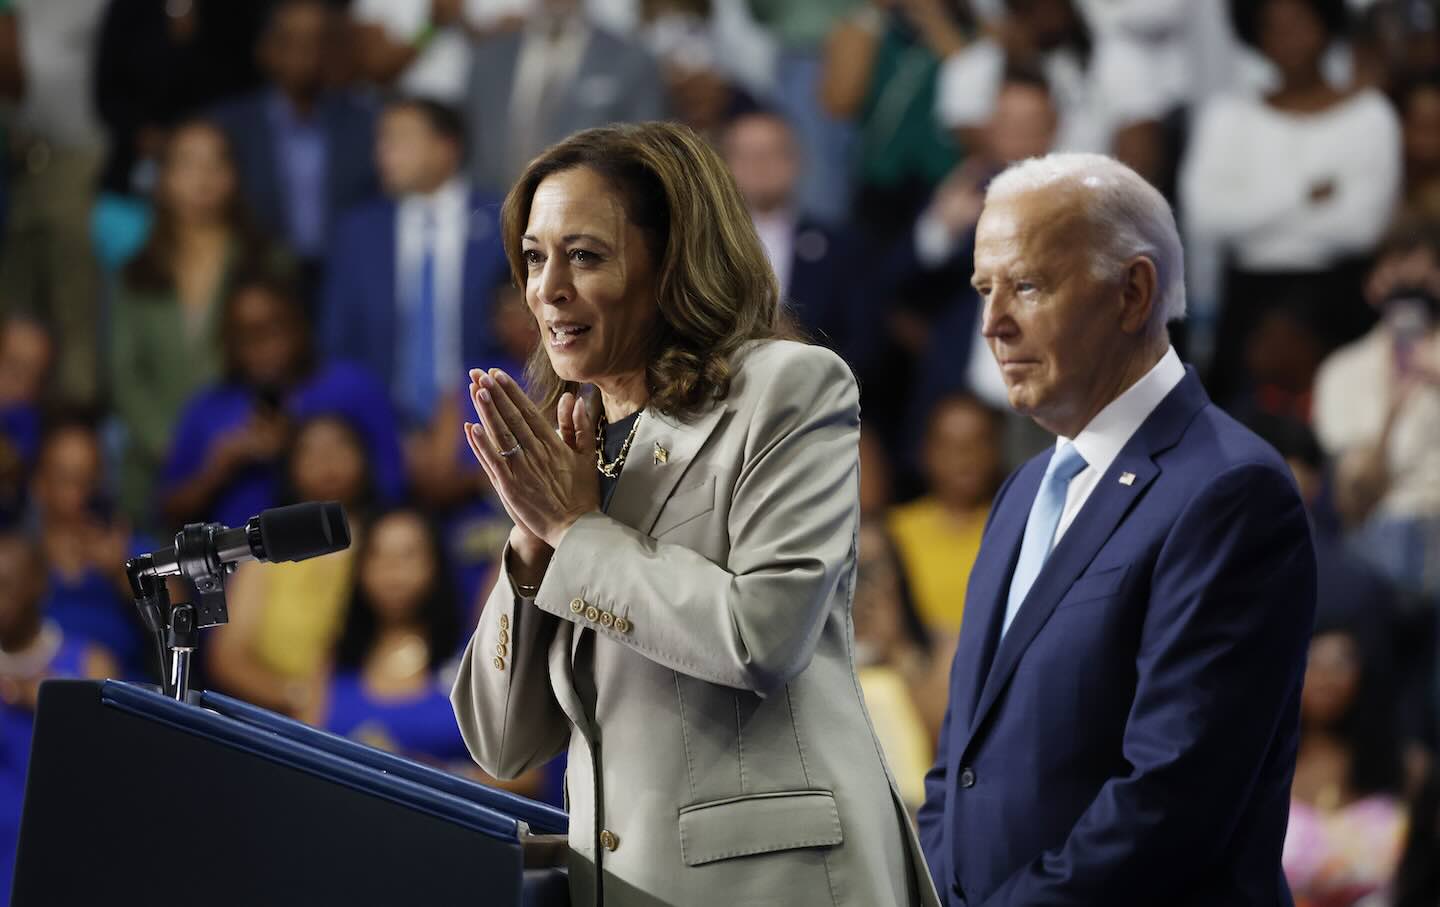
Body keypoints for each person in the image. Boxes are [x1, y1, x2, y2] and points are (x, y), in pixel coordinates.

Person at [450, 122, 939, 906]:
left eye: (584, 255)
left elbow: (763, 635)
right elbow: (503, 741)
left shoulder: (789, 388)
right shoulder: (575, 439)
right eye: (535, 258)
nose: (547, 289)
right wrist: (534, 540)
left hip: (779, 881)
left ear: (669, 262)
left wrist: (578, 533)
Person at [918, 152, 1317, 906]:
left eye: (1027, 285)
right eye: (983, 289)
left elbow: (1170, 799)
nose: (993, 323)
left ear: (1133, 292)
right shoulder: (1024, 490)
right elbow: (959, 764)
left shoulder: (1231, 490)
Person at [1179, 0, 1402, 405]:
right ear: (1254, 35)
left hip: (1341, 298)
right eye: (1273, 28)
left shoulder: (1372, 117)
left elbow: (1362, 228)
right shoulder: (1227, 116)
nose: (1289, 40)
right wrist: (1304, 196)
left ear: (1326, 25)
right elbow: (1207, 216)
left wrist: (1254, 208)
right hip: (1247, 301)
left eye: (1300, 24)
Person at [109, 120, 282, 530]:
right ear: (164, 178)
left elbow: (283, 364)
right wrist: (177, 447)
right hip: (155, 471)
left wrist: (232, 444)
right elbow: (123, 373)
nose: (202, 178)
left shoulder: (266, 261)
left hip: (248, 467)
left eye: (215, 163)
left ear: (233, 176)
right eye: (187, 164)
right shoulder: (136, 271)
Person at [321, 97, 510, 435]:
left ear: (446, 147)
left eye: (399, 139)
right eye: (381, 140)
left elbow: (517, 337)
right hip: (378, 428)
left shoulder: (502, 221)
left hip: (487, 421)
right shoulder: (359, 231)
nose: (383, 152)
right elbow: (339, 341)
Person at [160, 275, 405, 530]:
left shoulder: (353, 388)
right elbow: (169, 511)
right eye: (246, 335)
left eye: (272, 328)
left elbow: (393, 487)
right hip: (239, 562)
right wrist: (217, 471)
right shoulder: (207, 409)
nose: (261, 346)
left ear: (299, 325)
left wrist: (298, 448)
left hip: (343, 554)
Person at [206, 414, 373, 722]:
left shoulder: (388, 541)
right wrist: (299, 697)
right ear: (291, 465)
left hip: (369, 714)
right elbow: (228, 658)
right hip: (279, 717)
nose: (327, 462)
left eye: (339, 448)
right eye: (311, 451)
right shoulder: (263, 551)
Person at [208, 0, 378, 283]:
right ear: (265, 49)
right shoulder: (229, 126)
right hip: (258, 281)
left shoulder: (366, 123)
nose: (304, 52)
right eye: (290, 40)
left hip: (343, 278)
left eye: (317, 41)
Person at [1312, 220, 1440, 595]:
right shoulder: (1342, 372)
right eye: (1399, 278)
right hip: (1385, 529)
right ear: (1375, 287)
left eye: (1426, 277)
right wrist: (1392, 413)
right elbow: (1353, 500)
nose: (1412, 292)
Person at [0, 532, 115, 899]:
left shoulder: (88, 661)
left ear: (38, 585)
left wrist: (48, 699)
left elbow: (114, 755)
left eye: (5, 586)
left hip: (60, 855)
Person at [720, 107, 876, 374]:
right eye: (745, 155)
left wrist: (802, 350)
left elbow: (866, 343)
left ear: (796, 161)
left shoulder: (841, 248)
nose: (758, 165)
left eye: (770, 153)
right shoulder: (699, 244)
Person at [464, 0, 668, 195]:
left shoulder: (631, 59)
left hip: (590, 214)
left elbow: (645, 154)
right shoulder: (489, 55)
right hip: (492, 214)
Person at [324, 506, 469, 767]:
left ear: (436, 564)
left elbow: (525, 778)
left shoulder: (474, 657)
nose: (391, 569)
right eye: (377, 554)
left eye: (408, 555)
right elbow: (306, 749)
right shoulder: (336, 654)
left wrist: (439, 775)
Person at [30, 418, 151, 679]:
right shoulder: (20, 562)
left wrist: (121, 574)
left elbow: (180, 616)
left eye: (88, 479)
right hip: (37, 703)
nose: (80, 493)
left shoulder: (127, 546)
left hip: (124, 698)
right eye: (67, 479)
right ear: (39, 485)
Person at [888, 393, 1005, 635]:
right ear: (926, 452)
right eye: (949, 444)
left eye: (978, 441)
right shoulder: (894, 530)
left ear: (996, 450)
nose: (964, 455)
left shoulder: (1014, 527)